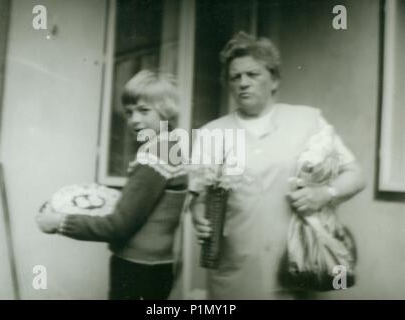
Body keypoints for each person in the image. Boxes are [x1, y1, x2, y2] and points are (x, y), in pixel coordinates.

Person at [189, 32, 366, 299]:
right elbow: (199, 198)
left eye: (252, 74)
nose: (243, 83)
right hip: (235, 274)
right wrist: (197, 214)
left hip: (297, 268)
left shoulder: (308, 121)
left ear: (274, 80)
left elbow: (356, 174)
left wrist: (324, 194)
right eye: (235, 77)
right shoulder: (211, 133)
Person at [36, 70, 188, 300]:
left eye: (144, 110)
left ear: (166, 111)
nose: (134, 119)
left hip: (137, 269)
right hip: (156, 265)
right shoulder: (171, 147)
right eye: (129, 112)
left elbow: (118, 226)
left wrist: (59, 222)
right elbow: (146, 203)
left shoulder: (155, 156)